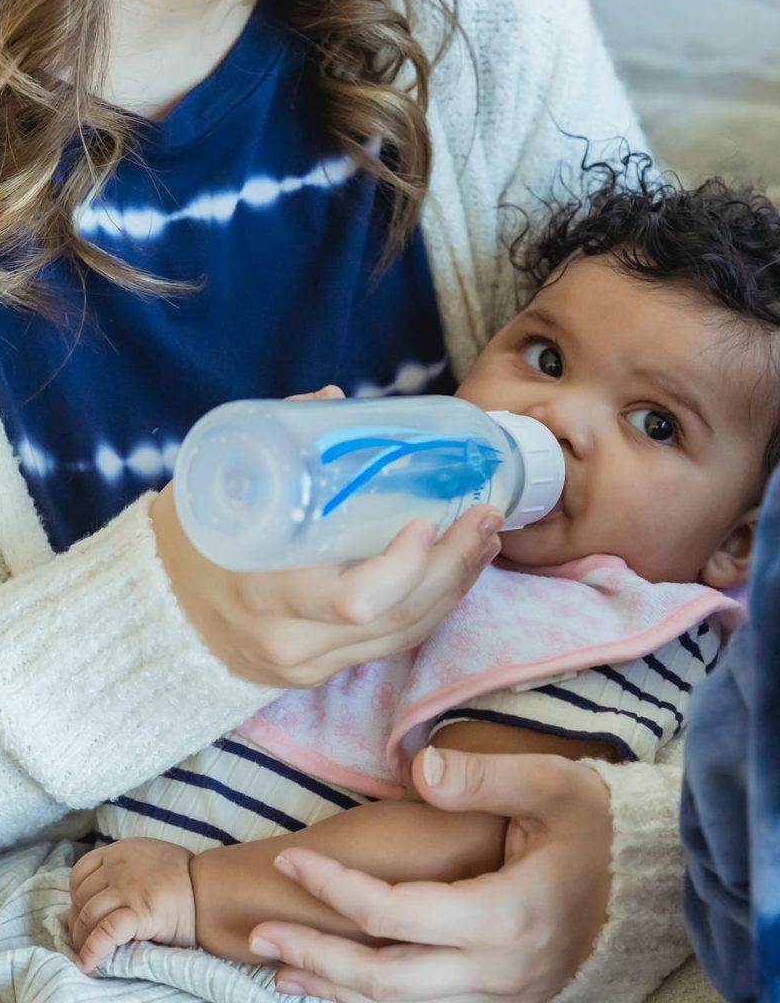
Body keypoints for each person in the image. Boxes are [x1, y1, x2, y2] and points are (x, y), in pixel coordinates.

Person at [0, 0, 700, 1000]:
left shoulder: (491, 13)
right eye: (544, 361)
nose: (558, 420)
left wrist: (634, 873)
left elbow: (722, 477)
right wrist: (163, 631)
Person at [65, 171, 780, 983]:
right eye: (546, 358)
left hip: (275, 956)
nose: (560, 418)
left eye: (655, 423)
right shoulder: (418, 506)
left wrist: (200, 894)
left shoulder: (614, 630)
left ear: (737, 543)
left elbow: (463, 840)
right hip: (125, 900)